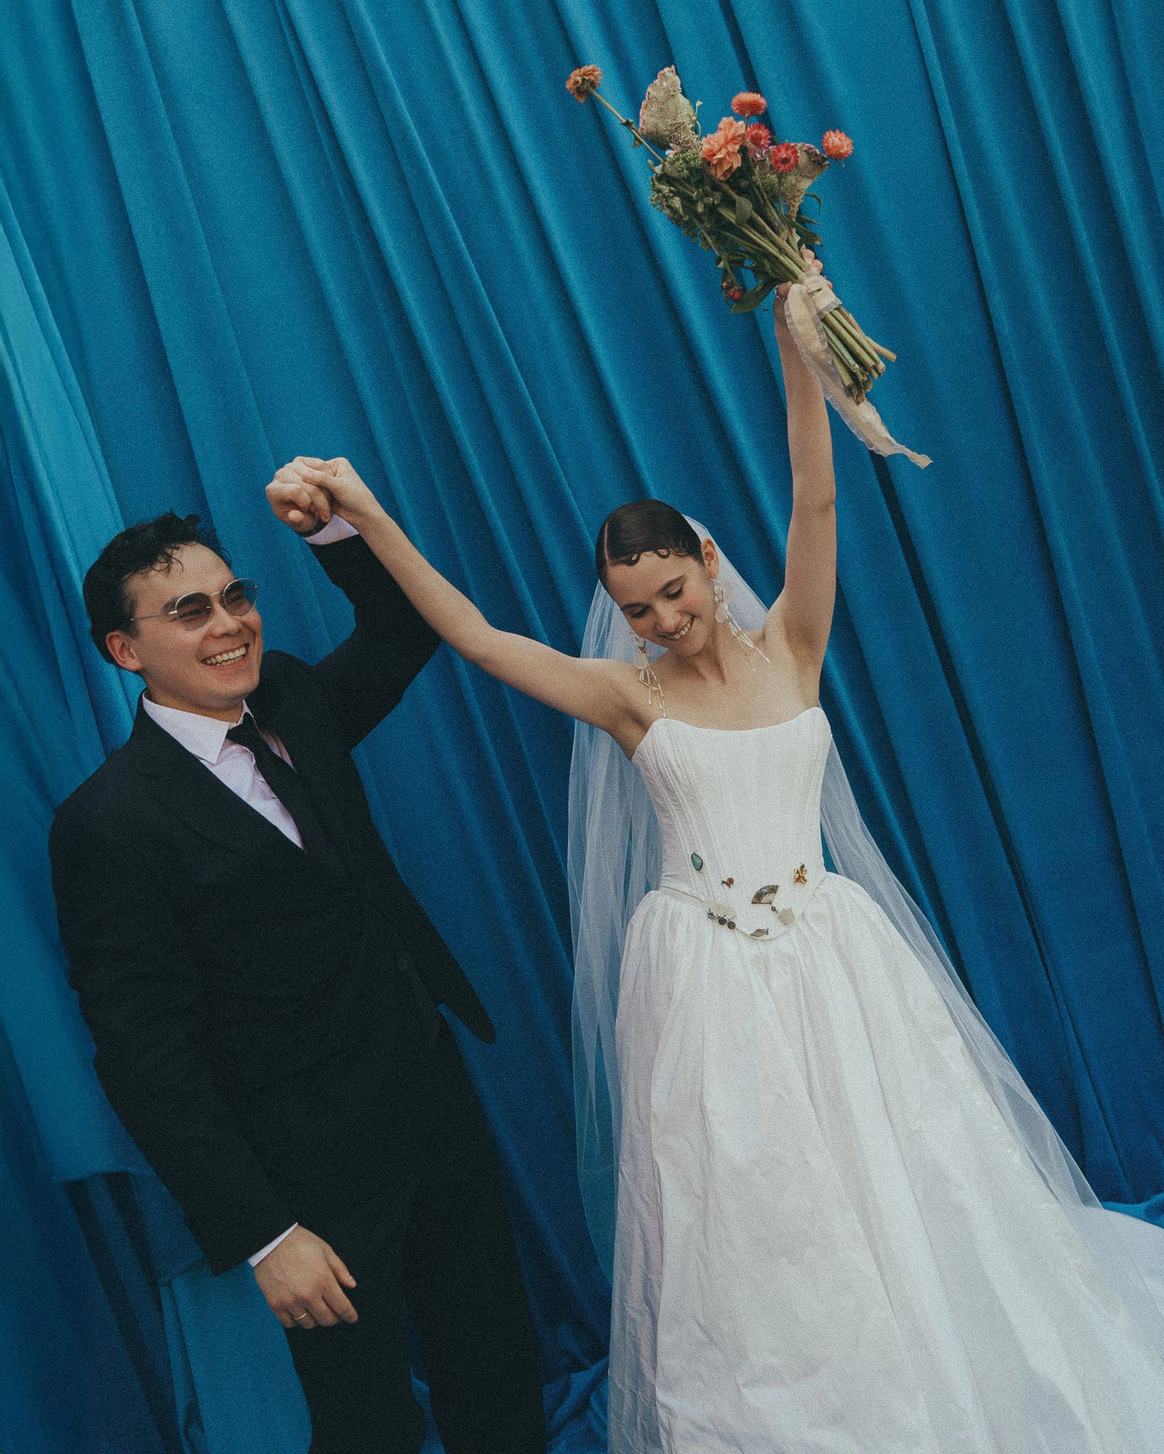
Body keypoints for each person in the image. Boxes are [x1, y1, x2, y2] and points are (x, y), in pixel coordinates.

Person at [270, 259, 1164, 1452]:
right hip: (710, 979)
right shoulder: (624, 694)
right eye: (636, 606)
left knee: (914, 1174)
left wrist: (795, 344)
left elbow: (815, 496)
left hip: (838, 956)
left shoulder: (793, 641)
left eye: (672, 591)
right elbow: (478, 639)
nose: (661, 619)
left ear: (702, 556)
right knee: (763, 1213)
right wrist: (369, 515)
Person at [49, 503, 546, 1454]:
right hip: (310, 1175)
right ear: (125, 650)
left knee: (499, 1376)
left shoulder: (291, 698)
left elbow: (403, 628)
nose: (229, 623)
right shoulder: (107, 825)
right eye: (190, 610)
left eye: (235, 596)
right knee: (368, 1426)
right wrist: (266, 1235)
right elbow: (146, 1058)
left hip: (432, 1098)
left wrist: (333, 533)